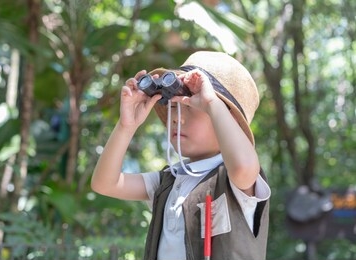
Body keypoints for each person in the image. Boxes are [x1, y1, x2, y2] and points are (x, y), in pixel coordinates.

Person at [91, 51, 271, 260]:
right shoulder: (169, 180)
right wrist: (126, 126)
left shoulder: (234, 181)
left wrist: (212, 102)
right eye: (173, 108)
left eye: (191, 108)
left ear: (227, 118)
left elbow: (244, 166)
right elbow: (105, 183)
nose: (177, 119)